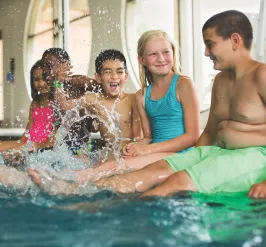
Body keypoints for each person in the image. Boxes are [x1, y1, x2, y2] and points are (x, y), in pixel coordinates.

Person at [88, 10, 266, 198]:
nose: (206, 52)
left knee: (174, 183)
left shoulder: (261, 75)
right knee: (135, 177)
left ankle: (135, 225)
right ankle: (80, 206)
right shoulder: (221, 81)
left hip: (255, 155)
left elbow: (192, 135)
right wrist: (192, 160)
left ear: (235, 41)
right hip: (216, 151)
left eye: (210, 45)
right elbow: (210, 132)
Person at [28, 31, 200, 194]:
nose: (161, 59)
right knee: (110, 168)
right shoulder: (142, 95)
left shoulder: (183, 84)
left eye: (165, 52)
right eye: (153, 54)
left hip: (175, 153)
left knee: (114, 167)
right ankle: (67, 181)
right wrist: (59, 82)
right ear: (142, 60)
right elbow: (147, 136)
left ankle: (68, 183)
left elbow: (193, 137)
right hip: (148, 153)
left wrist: (145, 149)